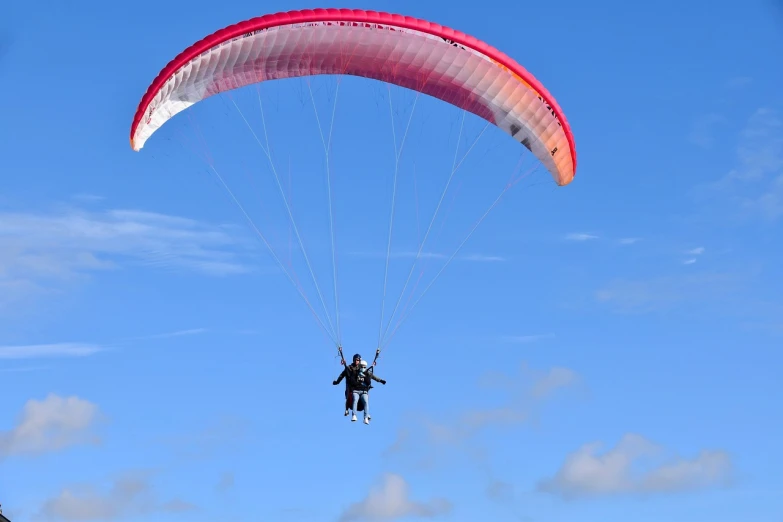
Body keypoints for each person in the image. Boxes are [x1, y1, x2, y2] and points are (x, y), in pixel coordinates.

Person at [333, 353, 386, 424]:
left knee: (365, 400)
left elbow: (372, 376)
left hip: (362, 389)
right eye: (356, 360)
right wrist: (337, 382)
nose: (357, 361)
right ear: (354, 360)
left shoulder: (362, 368)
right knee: (353, 398)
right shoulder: (349, 368)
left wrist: (380, 380)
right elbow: (342, 375)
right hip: (352, 387)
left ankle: (366, 414)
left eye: (358, 360)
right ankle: (349, 410)